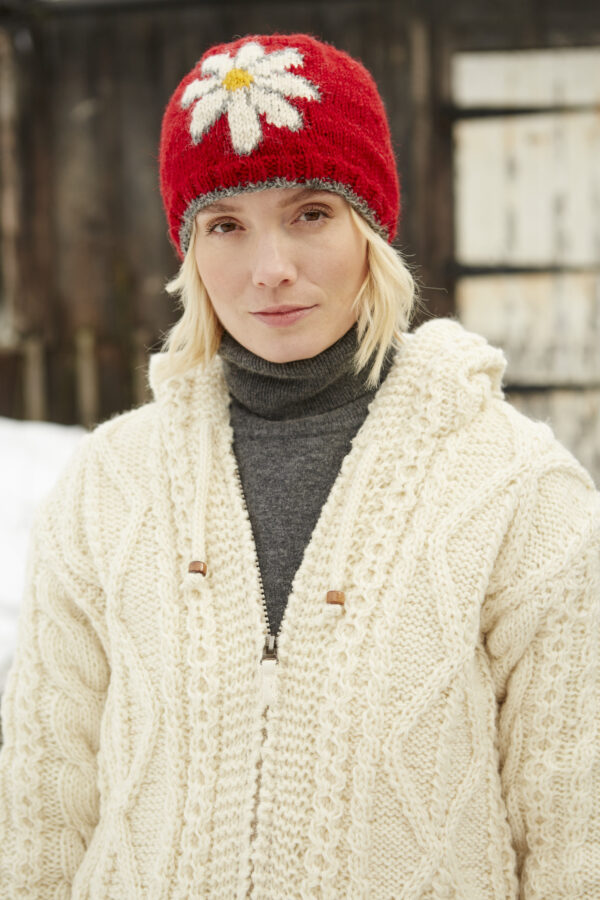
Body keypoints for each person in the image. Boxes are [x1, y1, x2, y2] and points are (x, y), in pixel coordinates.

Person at [0, 31, 598, 900]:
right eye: (226, 226)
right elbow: (37, 819)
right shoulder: (109, 486)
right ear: (190, 253)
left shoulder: (515, 489)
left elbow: (577, 833)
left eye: (310, 213)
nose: (269, 270)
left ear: (371, 231)